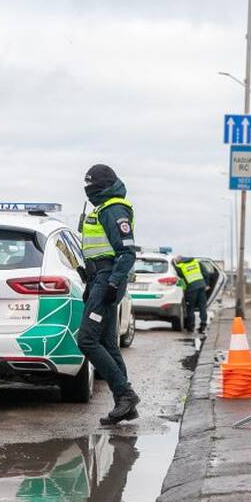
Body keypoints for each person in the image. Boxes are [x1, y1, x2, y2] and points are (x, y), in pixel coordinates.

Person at [79, 164, 140, 425]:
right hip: (98, 280)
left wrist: (113, 284)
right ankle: (124, 405)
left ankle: (126, 394)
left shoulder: (114, 209)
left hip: (108, 279)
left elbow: (127, 252)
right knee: (108, 344)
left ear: (102, 186)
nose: (87, 190)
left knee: (86, 340)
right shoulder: (102, 208)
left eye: (91, 185)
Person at [175, 256, 209, 334]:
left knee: (190, 308)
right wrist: (206, 284)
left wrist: (183, 289)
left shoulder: (179, 266)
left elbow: (181, 279)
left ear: (178, 261)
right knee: (202, 307)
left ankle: (191, 327)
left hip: (191, 289)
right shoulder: (195, 262)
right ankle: (203, 326)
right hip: (201, 286)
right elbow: (206, 273)